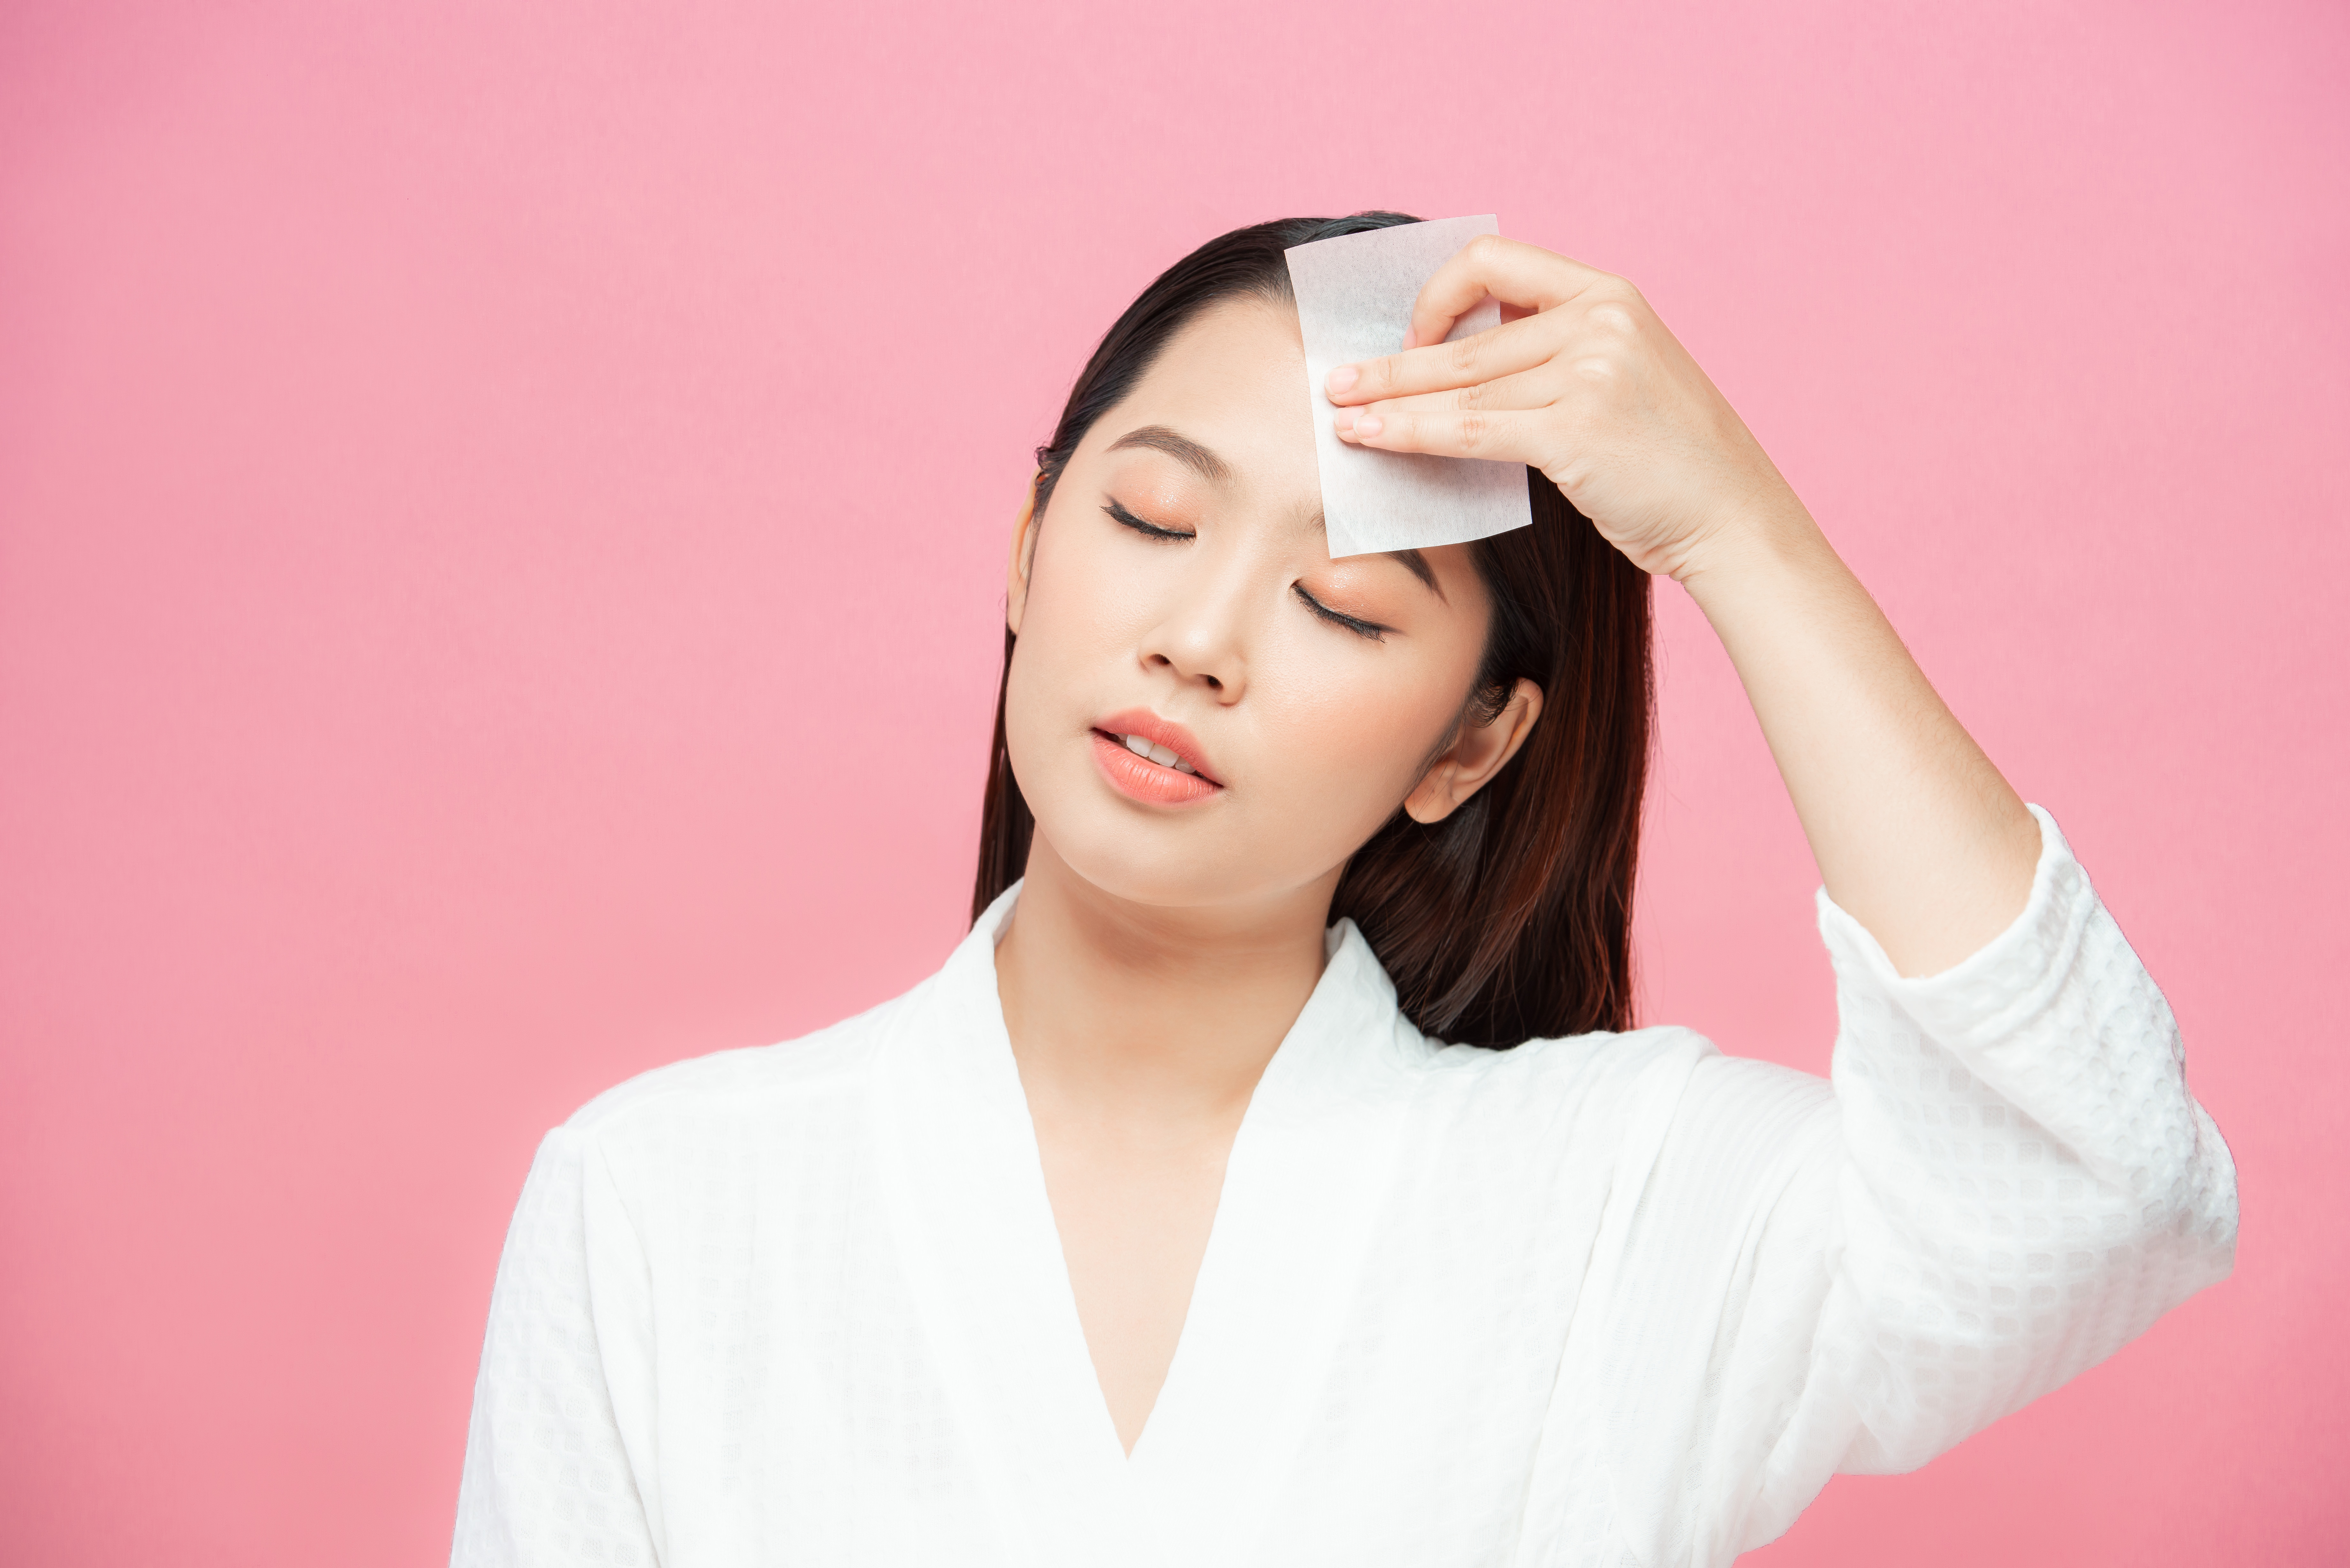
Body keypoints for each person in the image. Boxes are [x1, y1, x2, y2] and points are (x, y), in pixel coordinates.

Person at [448, 213, 2236, 1567]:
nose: (1199, 641)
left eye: (1344, 609)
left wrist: (1732, 529)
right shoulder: (661, 1204)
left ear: (1467, 745)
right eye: (1152, 520)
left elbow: (2085, 1189)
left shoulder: (1615, 1201)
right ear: (1027, 547)